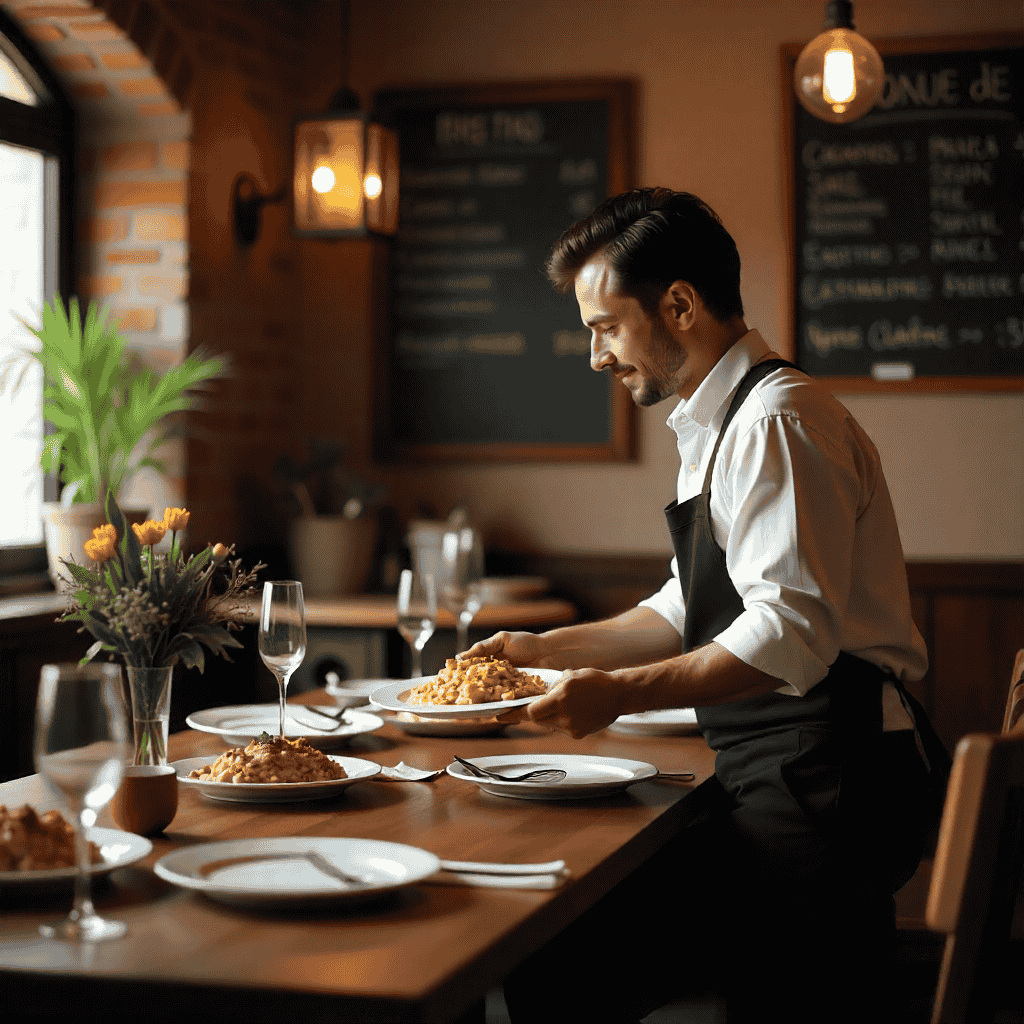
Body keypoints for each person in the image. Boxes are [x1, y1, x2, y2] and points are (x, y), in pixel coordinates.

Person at [465, 188, 949, 1024]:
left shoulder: (775, 422)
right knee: (553, 946)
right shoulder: (723, 420)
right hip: (793, 768)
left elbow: (786, 635)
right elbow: (682, 606)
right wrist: (541, 650)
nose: (595, 356)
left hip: (832, 783)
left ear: (680, 305)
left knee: (552, 960)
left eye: (604, 327)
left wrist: (616, 696)